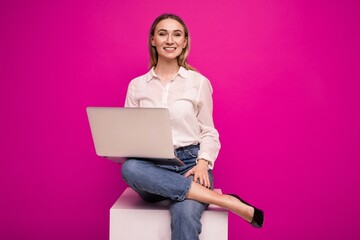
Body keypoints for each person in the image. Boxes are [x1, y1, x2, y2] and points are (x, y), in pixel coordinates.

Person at [121, 13, 264, 240]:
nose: (170, 40)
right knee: (130, 168)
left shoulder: (198, 83)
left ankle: (198, 191)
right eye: (163, 34)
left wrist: (203, 164)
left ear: (185, 41)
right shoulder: (137, 86)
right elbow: (130, 133)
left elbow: (208, 131)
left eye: (177, 34)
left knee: (185, 215)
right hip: (152, 170)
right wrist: (119, 147)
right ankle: (226, 201)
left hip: (191, 165)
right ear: (152, 40)